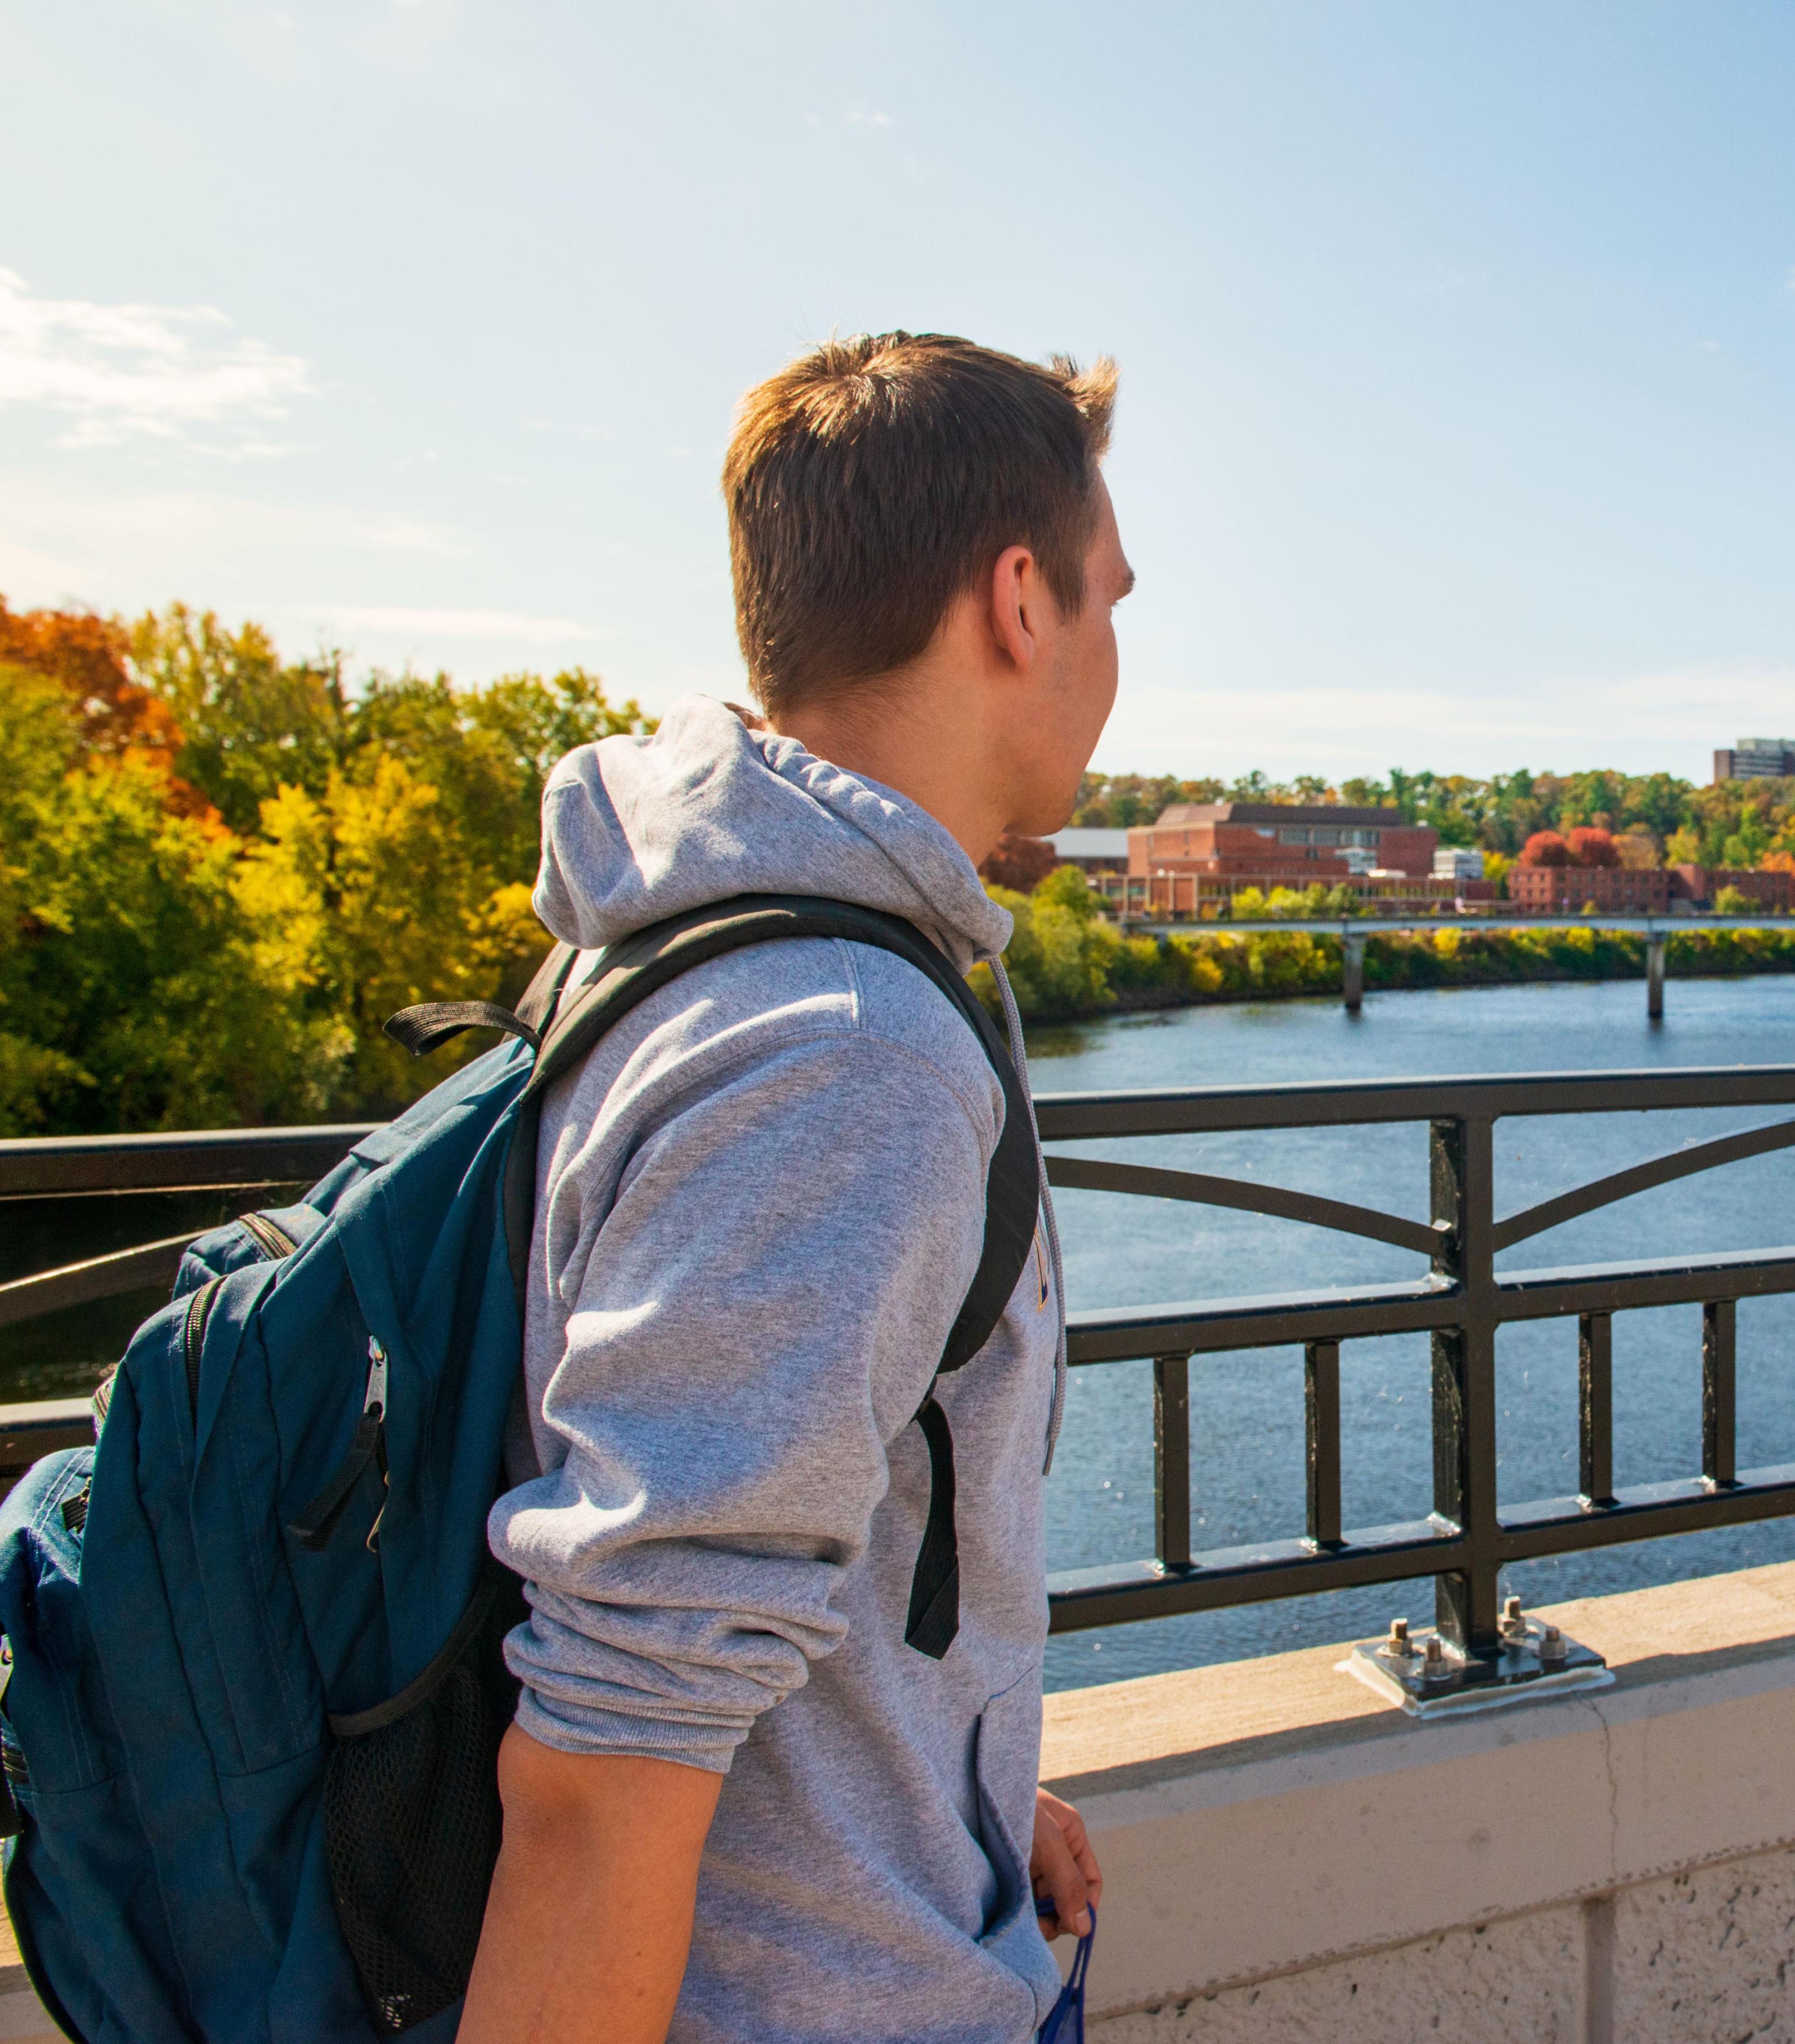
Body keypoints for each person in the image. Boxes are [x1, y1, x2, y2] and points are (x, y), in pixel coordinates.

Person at [455, 332, 1127, 2044]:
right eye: (1112, 599)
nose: (1120, 660)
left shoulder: (694, 947)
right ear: (1019, 604)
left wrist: (950, 1800)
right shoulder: (844, 1049)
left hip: (882, 1934)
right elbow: (608, 1767)